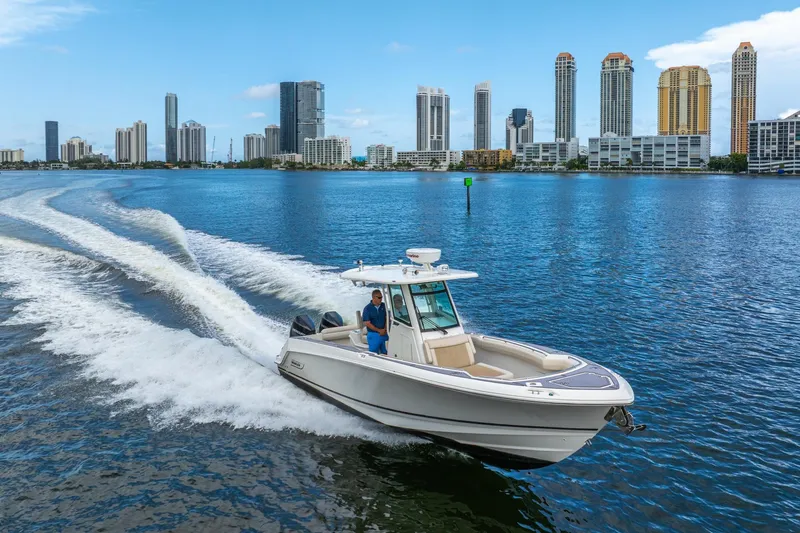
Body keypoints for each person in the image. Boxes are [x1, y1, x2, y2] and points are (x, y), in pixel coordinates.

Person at [362, 289, 389, 354]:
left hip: (384, 333)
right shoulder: (367, 308)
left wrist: (385, 329)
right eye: (379, 297)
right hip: (373, 334)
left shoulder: (383, 306)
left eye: (381, 297)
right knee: (374, 353)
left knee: (386, 352)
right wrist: (379, 331)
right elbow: (367, 323)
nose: (381, 299)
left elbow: (387, 317)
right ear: (373, 298)